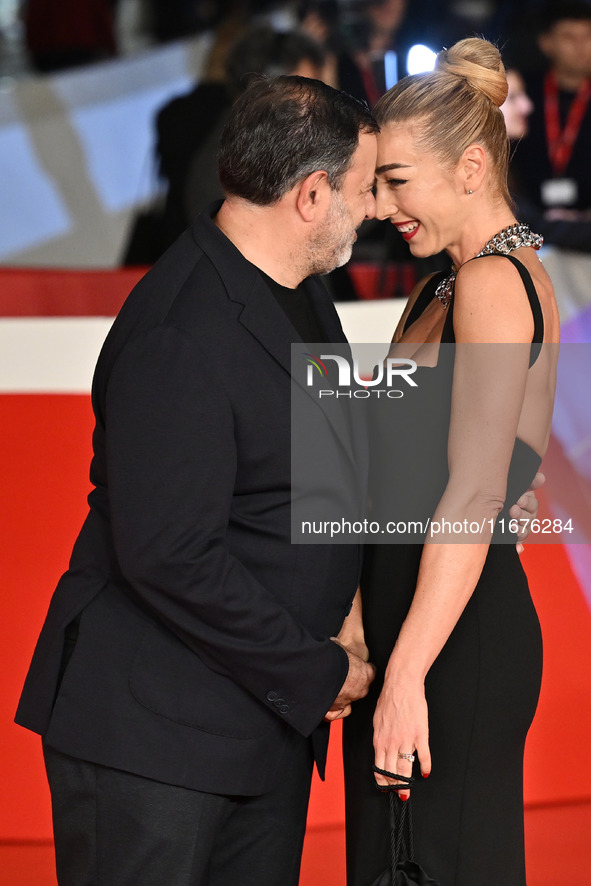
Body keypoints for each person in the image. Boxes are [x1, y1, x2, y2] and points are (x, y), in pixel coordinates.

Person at [15, 75, 378, 886]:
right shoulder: (180, 332)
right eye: (362, 189)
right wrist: (317, 669)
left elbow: (333, 465)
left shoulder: (305, 294)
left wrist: (351, 613)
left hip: (257, 726)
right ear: (312, 194)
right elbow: (169, 555)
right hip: (153, 741)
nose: (375, 209)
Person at [340, 37, 559, 886]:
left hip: (452, 648)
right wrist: (363, 632)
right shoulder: (442, 283)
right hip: (416, 633)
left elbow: (472, 491)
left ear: (470, 168)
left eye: (395, 180)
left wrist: (403, 676)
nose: (379, 202)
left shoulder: (492, 283)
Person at [512, 2, 591, 222]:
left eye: (587, 36)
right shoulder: (523, 92)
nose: (581, 46)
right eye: (569, 37)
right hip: (525, 214)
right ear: (546, 43)